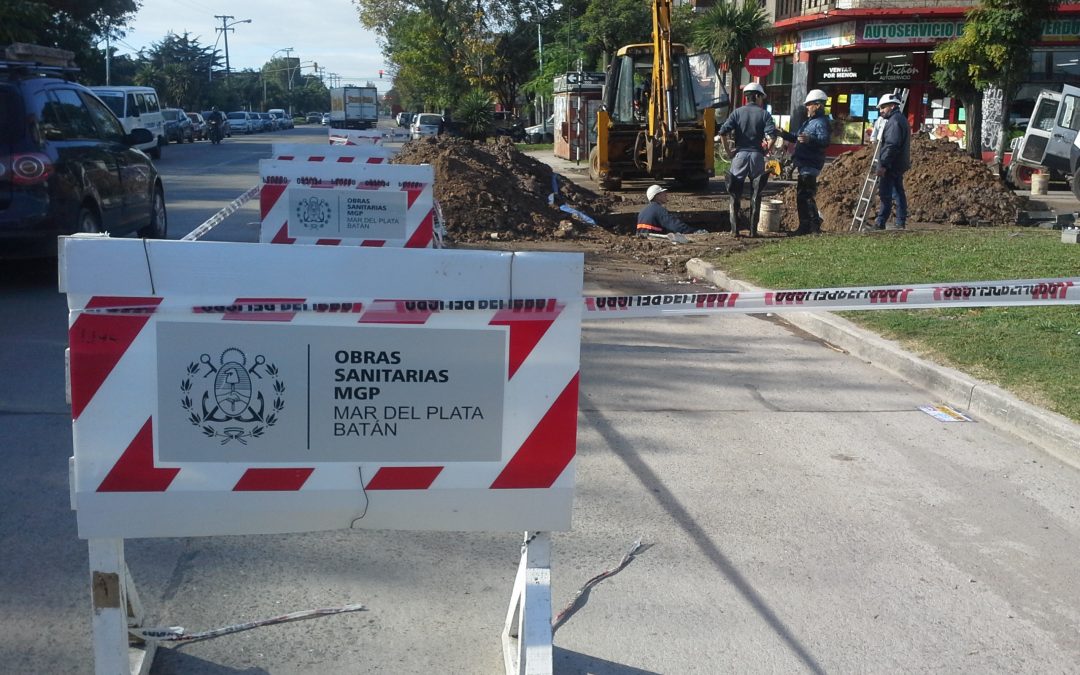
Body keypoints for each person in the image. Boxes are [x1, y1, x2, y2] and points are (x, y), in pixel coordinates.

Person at [717, 82, 777, 237]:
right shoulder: (764, 114)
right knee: (756, 194)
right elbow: (773, 136)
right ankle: (753, 231)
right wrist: (766, 150)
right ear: (756, 96)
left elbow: (722, 132)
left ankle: (734, 231)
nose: (762, 100)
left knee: (734, 194)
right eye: (761, 97)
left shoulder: (737, 113)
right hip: (756, 156)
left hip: (740, 156)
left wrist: (728, 151)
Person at [778, 89, 832, 235]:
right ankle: (806, 226)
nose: (807, 107)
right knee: (803, 196)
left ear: (818, 105)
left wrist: (810, 139)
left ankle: (812, 226)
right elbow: (796, 136)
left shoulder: (820, 123)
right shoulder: (810, 122)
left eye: (809, 104)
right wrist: (783, 133)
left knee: (806, 196)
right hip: (804, 164)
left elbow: (825, 141)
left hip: (811, 164)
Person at [874, 93, 910, 230]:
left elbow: (891, 145)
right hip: (898, 163)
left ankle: (881, 221)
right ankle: (899, 222)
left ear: (892, 106)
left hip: (892, 164)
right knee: (898, 192)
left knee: (886, 193)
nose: (881, 110)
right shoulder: (900, 119)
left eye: (883, 107)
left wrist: (883, 164)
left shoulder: (894, 122)